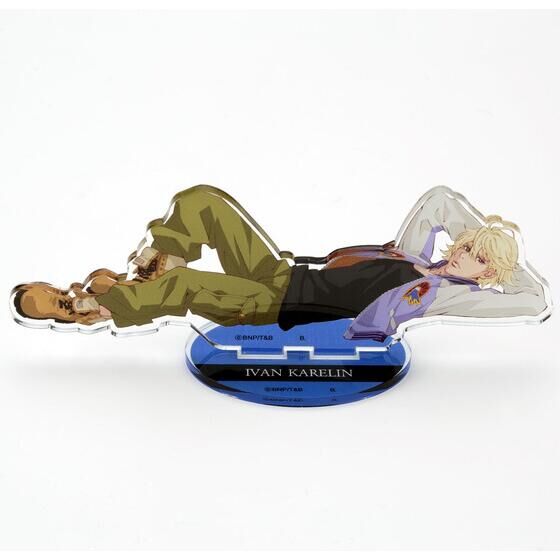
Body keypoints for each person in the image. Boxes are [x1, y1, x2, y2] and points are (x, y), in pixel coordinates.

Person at [10, 184, 550, 341]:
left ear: (488, 276)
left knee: (187, 286)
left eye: (476, 256)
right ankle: (148, 270)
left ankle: (98, 309)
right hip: (284, 274)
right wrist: (489, 238)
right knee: (202, 202)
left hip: (278, 307)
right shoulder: (415, 255)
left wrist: (503, 263)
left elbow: (534, 299)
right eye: (464, 243)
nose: (461, 250)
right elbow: (441, 201)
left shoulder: (443, 297)